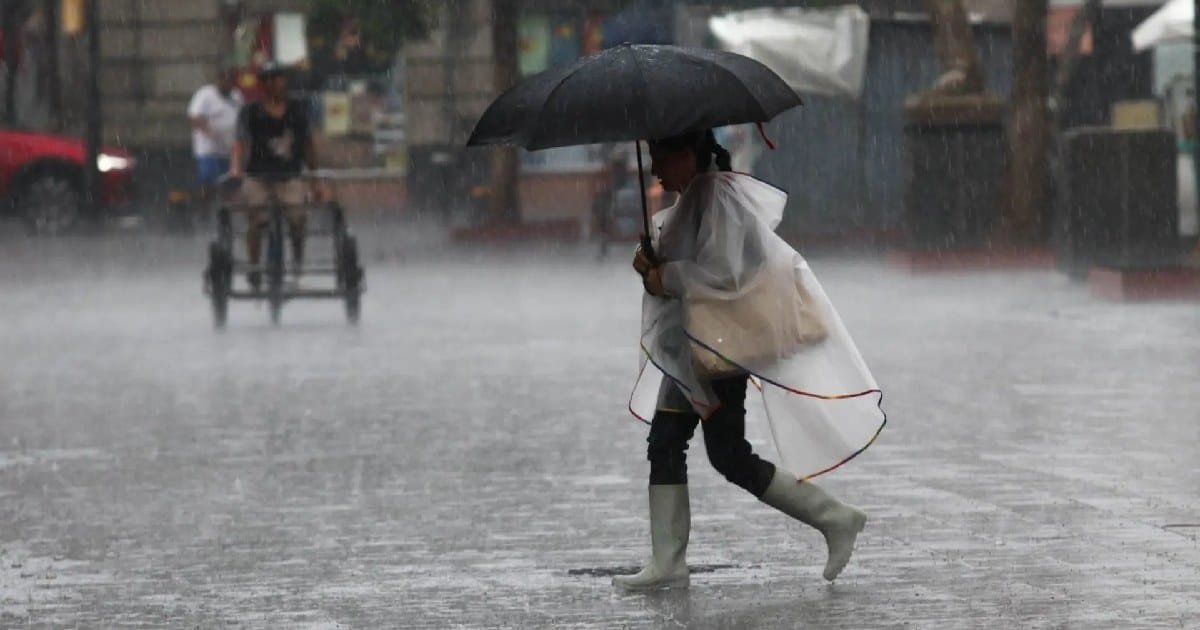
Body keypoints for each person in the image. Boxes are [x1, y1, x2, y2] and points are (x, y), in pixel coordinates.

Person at [613, 129, 885, 592]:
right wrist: (652, 262)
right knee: (677, 445)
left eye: (660, 155)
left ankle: (835, 519)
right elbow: (692, 264)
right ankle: (669, 559)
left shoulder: (718, 196)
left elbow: (725, 271)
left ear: (687, 154)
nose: (654, 166)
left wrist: (667, 276)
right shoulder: (696, 197)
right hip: (693, 344)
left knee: (720, 454)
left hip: (716, 347)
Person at [228, 64, 321, 288]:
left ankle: (298, 264)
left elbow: (308, 146)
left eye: (276, 78)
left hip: (290, 176)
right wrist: (235, 168)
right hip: (258, 176)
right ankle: (254, 267)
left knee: (297, 219)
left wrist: (315, 179)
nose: (272, 84)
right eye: (267, 79)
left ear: (284, 81)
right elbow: (239, 143)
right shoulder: (250, 112)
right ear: (262, 84)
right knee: (256, 219)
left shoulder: (298, 110)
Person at [188, 68, 243, 205]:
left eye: (231, 81)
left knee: (228, 181)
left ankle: (225, 209)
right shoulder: (205, 94)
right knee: (208, 177)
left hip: (229, 148)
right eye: (225, 80)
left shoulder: (236, 95)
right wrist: (208, 130)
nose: (228, 84)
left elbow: (242, 116)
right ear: (218, 80)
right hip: (208, 148)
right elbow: (194, 116)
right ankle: (205, 204)